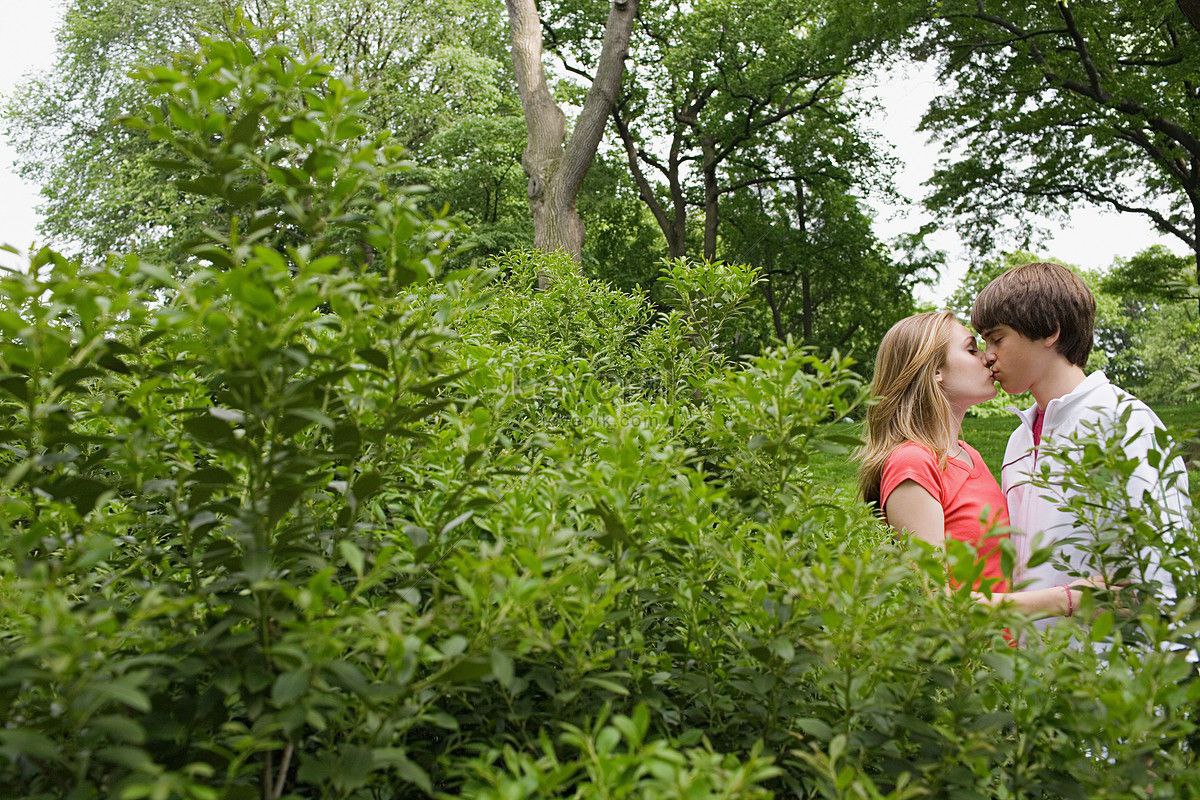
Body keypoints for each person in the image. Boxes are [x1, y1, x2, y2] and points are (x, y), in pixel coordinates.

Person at [973, 262, 1190, 627]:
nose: (987, 355)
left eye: (997, 339)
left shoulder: (1122, 421)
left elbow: (1164, 577)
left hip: (1115, 657)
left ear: (1049, 331)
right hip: (1036, 658)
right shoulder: (1018, 441)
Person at [857, 310, 1084, 616]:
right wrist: (1067, 600)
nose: (988, 358)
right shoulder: (912, 462)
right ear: (936, 371)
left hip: (1006, 642)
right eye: (972, 349)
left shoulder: (968, 455)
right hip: (967, 646)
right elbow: (935, 601)